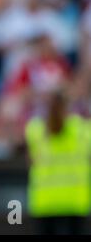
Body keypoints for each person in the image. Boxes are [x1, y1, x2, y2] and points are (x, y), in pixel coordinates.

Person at [26, 88, 91, 234]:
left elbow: (31, 160)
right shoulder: (83, 129)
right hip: (75, 201)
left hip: (45, 202)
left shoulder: (35, 130)